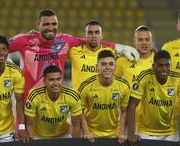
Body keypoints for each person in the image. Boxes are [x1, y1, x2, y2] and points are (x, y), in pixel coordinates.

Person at [9, 9, 139, 99]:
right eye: (46, 24)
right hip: (29, 99)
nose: (50, 27)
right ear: (38, 24)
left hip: (56, 100)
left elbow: (89, 40)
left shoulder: (64, 41)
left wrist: (119, 47)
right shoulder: (24, 40)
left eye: (54, 24)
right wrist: (11, 69)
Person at [126, 50, 180, 146]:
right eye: (160, 65)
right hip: (145, 132)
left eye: (167, 65)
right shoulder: (144, 76)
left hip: (170, 133)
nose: (164, 69)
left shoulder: (178, 79)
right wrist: (131, 133)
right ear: (153, 66)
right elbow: (132, 104)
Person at [79, 50, 130, 143]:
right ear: (97, 66)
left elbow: (124, 111)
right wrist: (87, 133)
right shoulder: (86, 86)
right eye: (103, 64)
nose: (108, 67)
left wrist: (121, 132)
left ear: (115, 66)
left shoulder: (124, 85)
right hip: (92, 135)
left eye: (111, 64)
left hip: (115, 136)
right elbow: (80, 112)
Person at [24, 65, 82, 139]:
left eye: (58, 79)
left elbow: (76, 124)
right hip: (39, 136)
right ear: (44, 82)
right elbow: (29, 124)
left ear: (63, 80)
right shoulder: (35, 95)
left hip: (63, 135)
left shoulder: (72, 95)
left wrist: (75, 145)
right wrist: (33, 145)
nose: (55, 83)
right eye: (51, 80)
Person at [68, 20, 114, 90]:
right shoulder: (73, 51)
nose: (93, 35)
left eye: (97, 32)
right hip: (79, 100)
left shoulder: (111, 53)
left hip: (101, 99)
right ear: (84, 36)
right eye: (90, 32)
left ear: (102, 36)